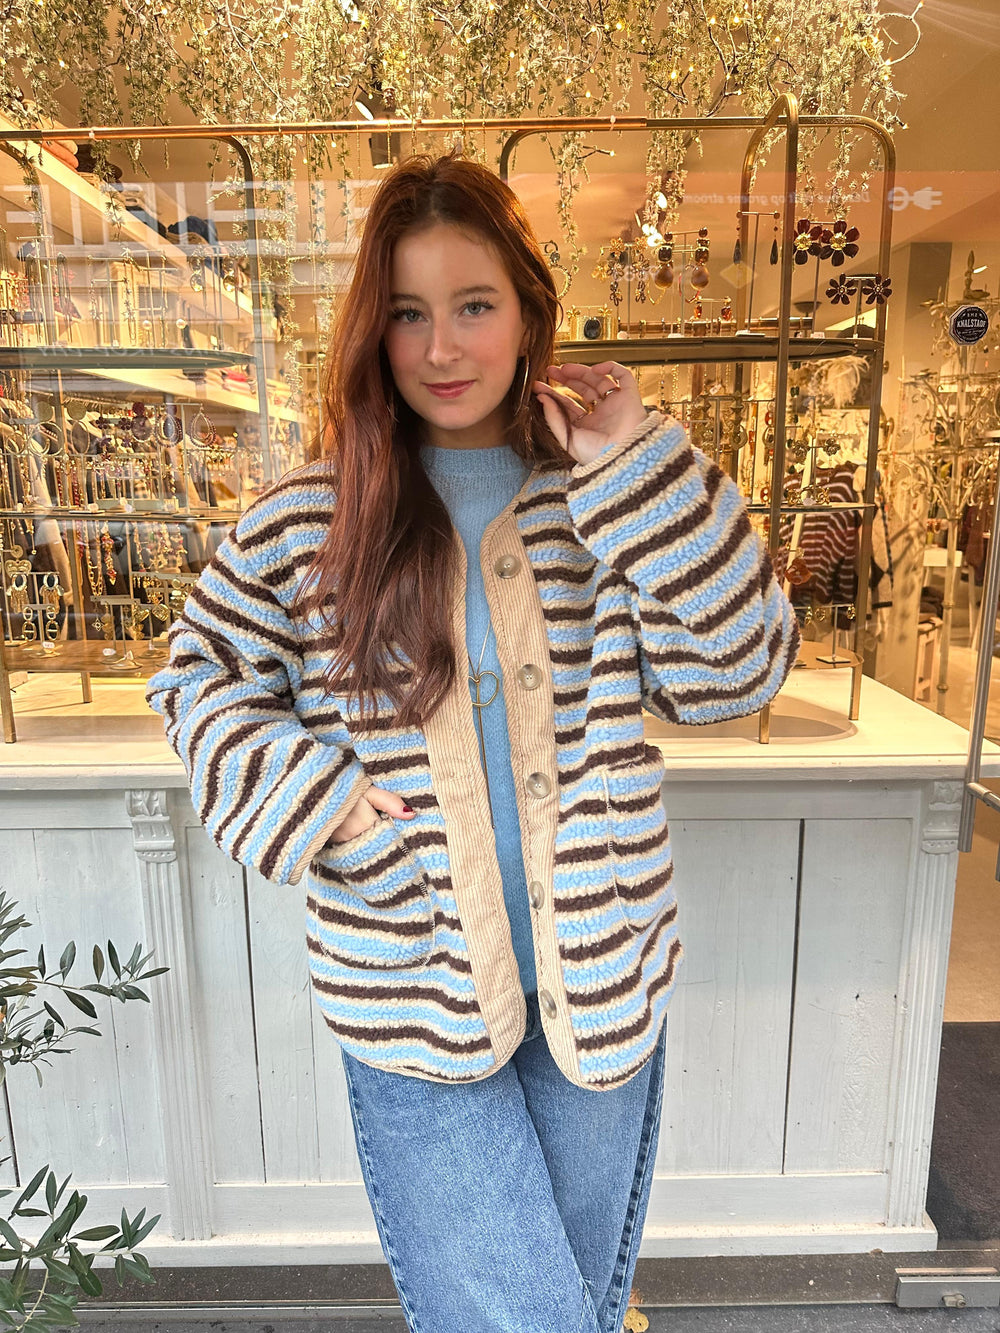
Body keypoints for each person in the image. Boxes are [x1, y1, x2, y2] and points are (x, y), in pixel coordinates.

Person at [146, 147, 800, 1333]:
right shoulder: (311, 514)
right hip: (411, 974)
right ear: (372, 329)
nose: (441, 348)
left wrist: (636, 467)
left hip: (599, 973)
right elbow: (198, 677)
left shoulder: (609, 495)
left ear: (528, 313)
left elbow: (739, 669)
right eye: (407, 312)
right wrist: (324, 802)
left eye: (474, 305)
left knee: (572, 1308)